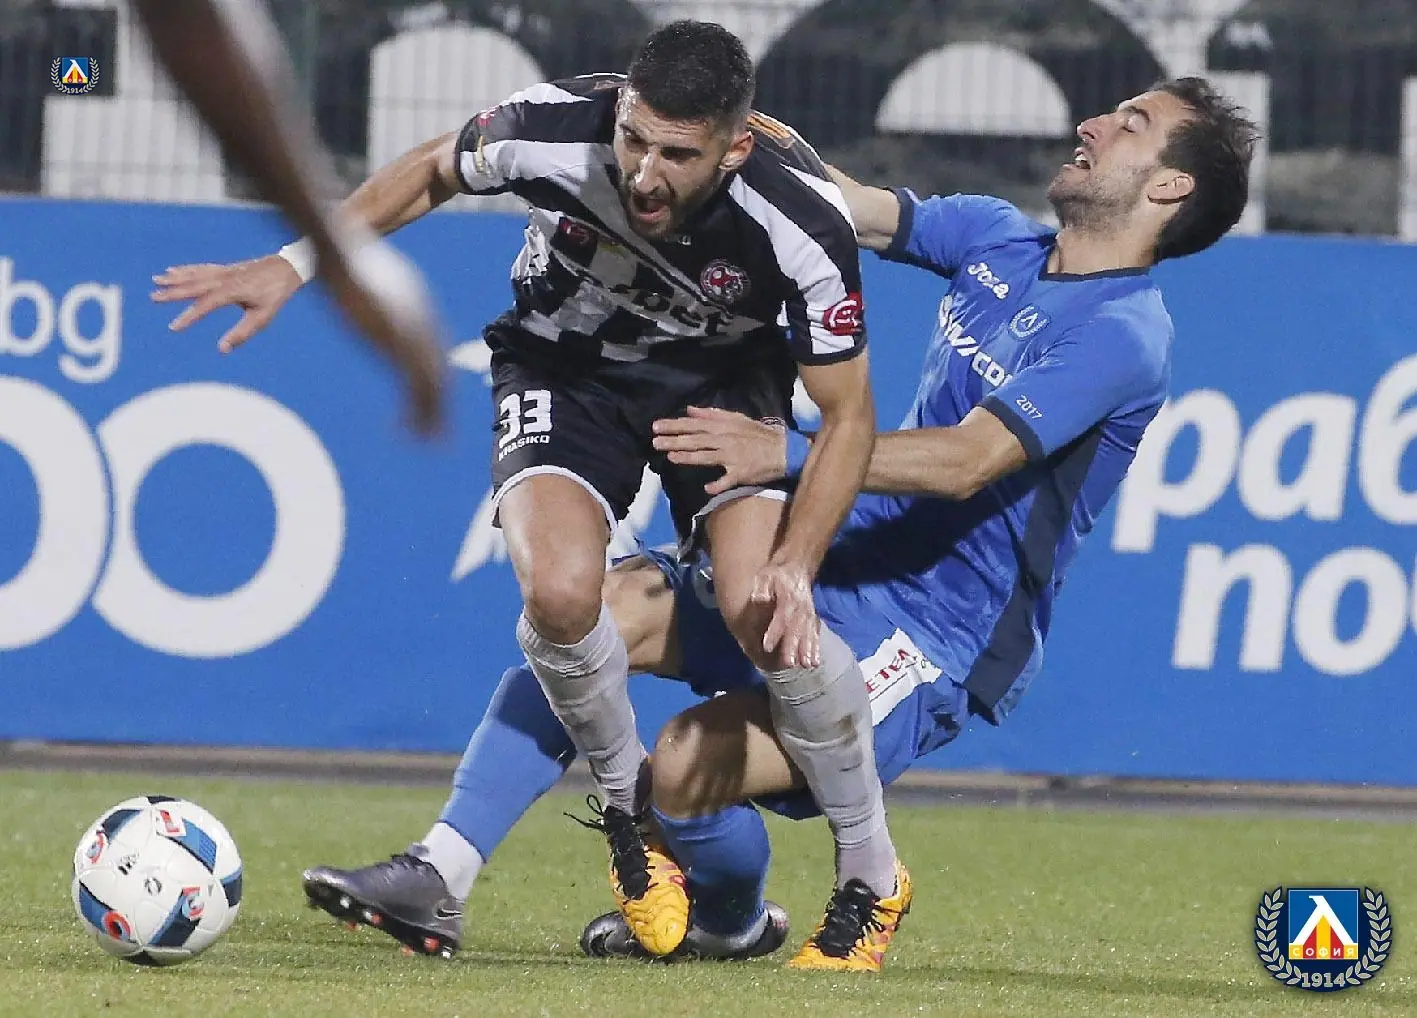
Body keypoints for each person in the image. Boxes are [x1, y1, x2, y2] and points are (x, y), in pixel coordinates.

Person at [302, 77, 1259, 972]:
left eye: (1130, 124)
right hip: (839, 552)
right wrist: (729, 130)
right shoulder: (996, 236)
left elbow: (967, 461)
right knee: (588, 611)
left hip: (934, 631)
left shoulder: (1123, 335)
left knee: (683, 768)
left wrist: (789, 451)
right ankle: (441, 872)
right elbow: (841, 203)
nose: (1093, 125)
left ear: (1169, 186)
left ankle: (771, 907)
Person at [153, 19, 898, 961]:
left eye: (676, 155)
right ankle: (629, 815)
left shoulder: (799, 219)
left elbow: (848, 417)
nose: (644, 174)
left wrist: (796, 565)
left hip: (719, 391)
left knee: (765, 608)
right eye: (633, 139)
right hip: (564, 370)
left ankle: (870, 870)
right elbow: (432, 169)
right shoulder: (552, 126)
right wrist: (298, 263)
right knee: (557, 593)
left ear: (734, 149)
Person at [135, 0, 447, 434]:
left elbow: (193, 28)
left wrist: (320, 257)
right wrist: (327, 258)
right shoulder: (534, 120)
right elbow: (194, 29)